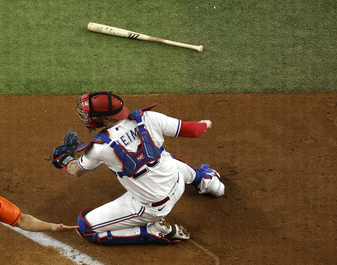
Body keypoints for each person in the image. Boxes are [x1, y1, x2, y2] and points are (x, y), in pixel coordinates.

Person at [51, 91, 225, 245]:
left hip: (154, 208)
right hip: (178, 181)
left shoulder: (99, 148)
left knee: (85, 228)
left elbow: (76, 170)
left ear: (104, 117)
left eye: (90, 114)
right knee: (161, 156)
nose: (87, 117)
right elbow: (193, 131)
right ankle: (208, 182)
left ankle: (152, 231)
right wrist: (204, 124)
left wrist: (64, 159)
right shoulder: (148, 118)